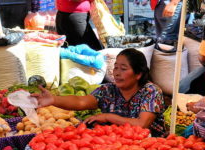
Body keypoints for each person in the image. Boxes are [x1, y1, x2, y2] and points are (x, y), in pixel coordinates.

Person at [33, 48, 165, 136]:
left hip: (149, 146)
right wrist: (54, 100)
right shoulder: (107, 90)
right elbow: (81, 102)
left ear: (138, 74)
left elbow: (142, 124)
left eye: (123, 69)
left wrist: (107, 117)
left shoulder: (150, 91)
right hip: (115, 144)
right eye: (116, 68)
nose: (117, 73)